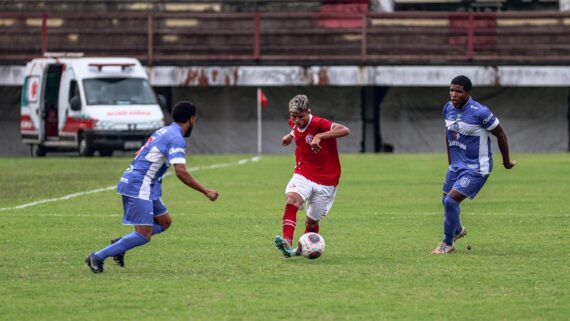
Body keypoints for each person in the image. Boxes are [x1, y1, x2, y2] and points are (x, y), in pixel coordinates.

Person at [85, 101, 219, 273]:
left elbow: (140, 152)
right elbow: (181, 172)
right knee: (143, 235)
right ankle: (97, 256)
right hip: (139, 184)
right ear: (192, 119)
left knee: (165, 222)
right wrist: (206, 191)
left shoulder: (164, 130)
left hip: (146, 184)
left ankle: (121, 244)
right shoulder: (176, 137)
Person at [432, 75, 516, 254]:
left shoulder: (481, 112)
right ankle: (458, 230)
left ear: (468, 93)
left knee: (450, 201)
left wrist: (506, 162)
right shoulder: (448, 108)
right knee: (446, 201)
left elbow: (501, 134)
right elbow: (449, 136)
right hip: (456, 165)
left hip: (477, 168)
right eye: (451, 90)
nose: (453, 94)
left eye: (458, 91)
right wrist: (451, 162)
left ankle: (447, 243)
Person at [274, 94, 351, 257]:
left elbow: (345, 130)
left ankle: (302, 249)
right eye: (293, 116)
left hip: (326, 180)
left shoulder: (318, 123)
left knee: (311, 221)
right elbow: (296, 129)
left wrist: (319, 136)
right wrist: (290, 136)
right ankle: (287, 242)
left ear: (308, 112)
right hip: (304, 172)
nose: (296, 120)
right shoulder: (294, 122)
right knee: (292, 200)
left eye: (300, 117)